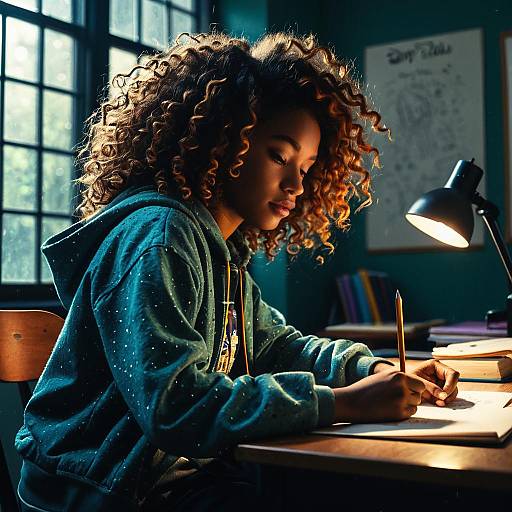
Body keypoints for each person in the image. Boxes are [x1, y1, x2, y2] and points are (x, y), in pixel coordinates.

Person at [15, 31, 459, 511]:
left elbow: (277, 344)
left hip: (174, 475)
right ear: (223, 138)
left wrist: (371, 368)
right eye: (279, 155)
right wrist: (347, 402)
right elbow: (176, 406)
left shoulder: (220, 253)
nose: (295, 184)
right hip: (99, 488)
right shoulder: (160, 238)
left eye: (306, 168)